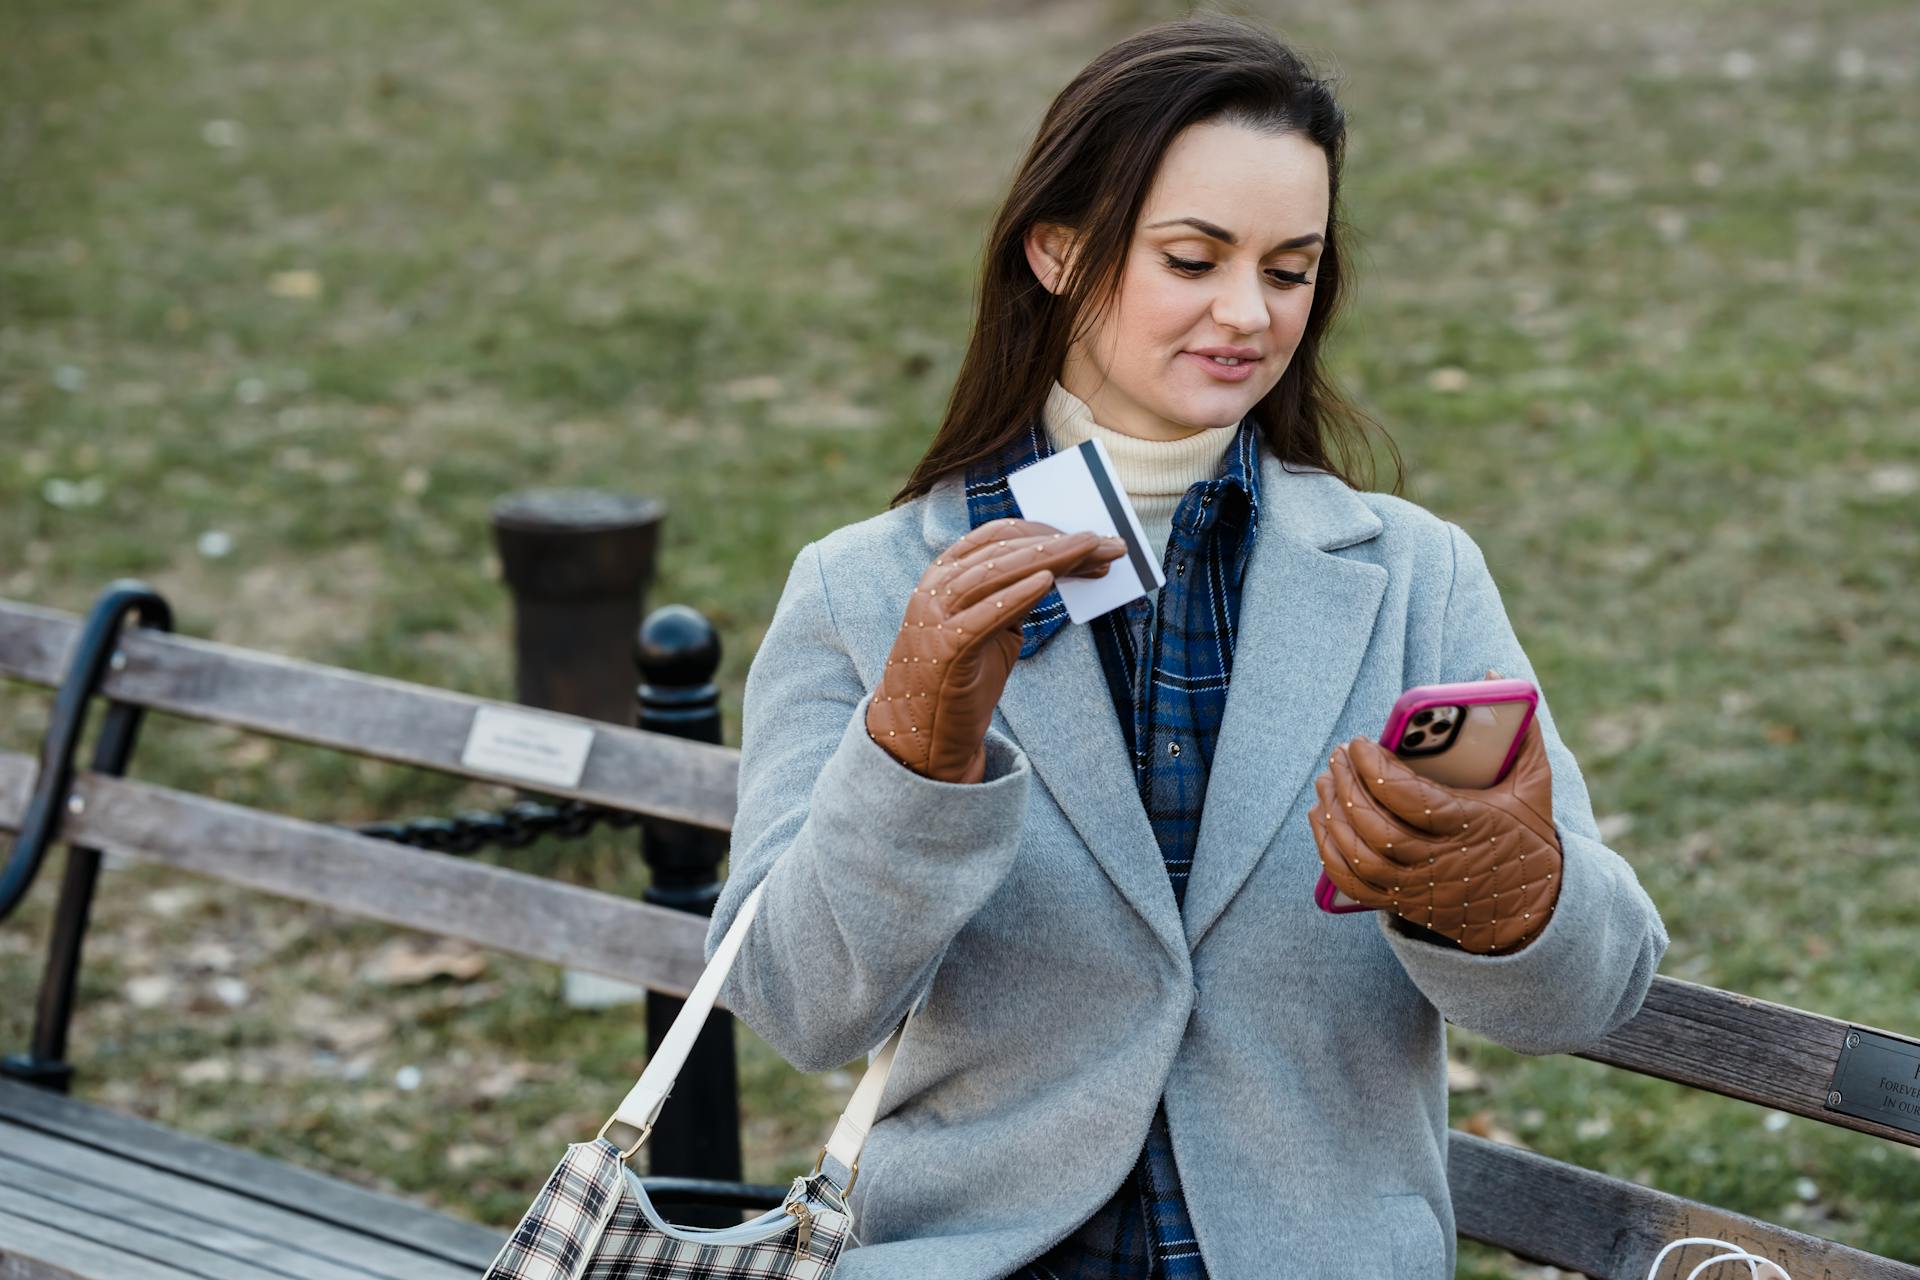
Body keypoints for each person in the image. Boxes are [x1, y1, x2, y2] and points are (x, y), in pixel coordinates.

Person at [704, 13, 1669, 1279]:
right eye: (1192, 256)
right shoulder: (865, 587)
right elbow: (796, 1005)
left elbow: (1594, 991)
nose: (1246, 313)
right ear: (1056, 251)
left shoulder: (1412, 575)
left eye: (1288, 268)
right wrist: (911, 758)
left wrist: (1511, 897)